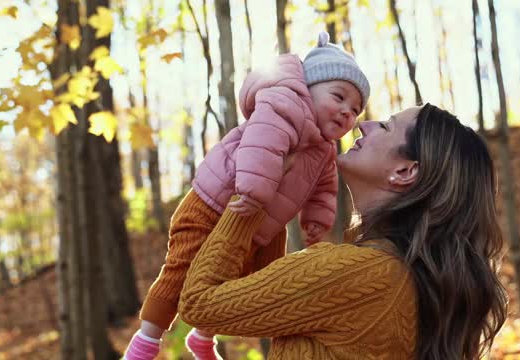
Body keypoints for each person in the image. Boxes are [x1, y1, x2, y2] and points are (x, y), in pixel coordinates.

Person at [177, 104, 509, 359]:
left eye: (385, 126)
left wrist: (252, 197)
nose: (364, 123)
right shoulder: (405, 280)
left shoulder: (357, 273)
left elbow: (197, 303)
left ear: (405, 170)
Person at [123, 31, 370, 360]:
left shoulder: (324, 149)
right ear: (308, 88)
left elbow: (324, 189)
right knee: (181, 270)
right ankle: (145, 343)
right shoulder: (284, 106)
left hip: (263, 223)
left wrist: (316, 220)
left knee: (253, 284)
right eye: (338, 97)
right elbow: (261, 146)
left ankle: (202, 337)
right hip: (216, 204)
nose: (345, 113)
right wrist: (254, 190)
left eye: (354, 110)